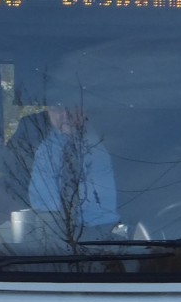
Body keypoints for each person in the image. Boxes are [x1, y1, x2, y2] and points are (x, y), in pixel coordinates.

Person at [26, 94, 119, 243]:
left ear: (84, 109)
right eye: (57, 108)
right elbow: (44, 206)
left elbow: (103, 210)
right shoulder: (44, 152)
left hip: (98, 237)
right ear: (48, 112)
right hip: (52, 239)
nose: (65, 114)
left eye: (72, 107)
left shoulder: (100, 148)